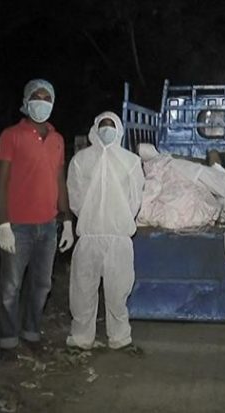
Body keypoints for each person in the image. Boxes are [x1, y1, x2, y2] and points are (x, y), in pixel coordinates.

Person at [0, 79, 74, 359]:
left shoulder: (57, 139)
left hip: (49, 225)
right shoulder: (11, 136)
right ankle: (8, 340)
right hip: (18, 226)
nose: (42, 102)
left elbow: (59, 180)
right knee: (11, 286)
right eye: (36, 97)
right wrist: (2, 223)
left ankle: (31, 332)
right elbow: (1, 183)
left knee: (42, 285)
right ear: (26, 101)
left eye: (47, 98)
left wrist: (67, 220)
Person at [66, 111, 145, 355]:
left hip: (119, 237)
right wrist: (88, 216)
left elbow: (135, 198)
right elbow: (75, 195)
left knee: (118, 292)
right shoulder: (81, 160)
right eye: (103, 124)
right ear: (95, 128)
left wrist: (119, 218)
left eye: (112, 124)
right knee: (83, 290)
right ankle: (81, 337)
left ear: (119, 129)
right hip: (89, 235)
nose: (107, 129)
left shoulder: (130, 161)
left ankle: (120, 337)